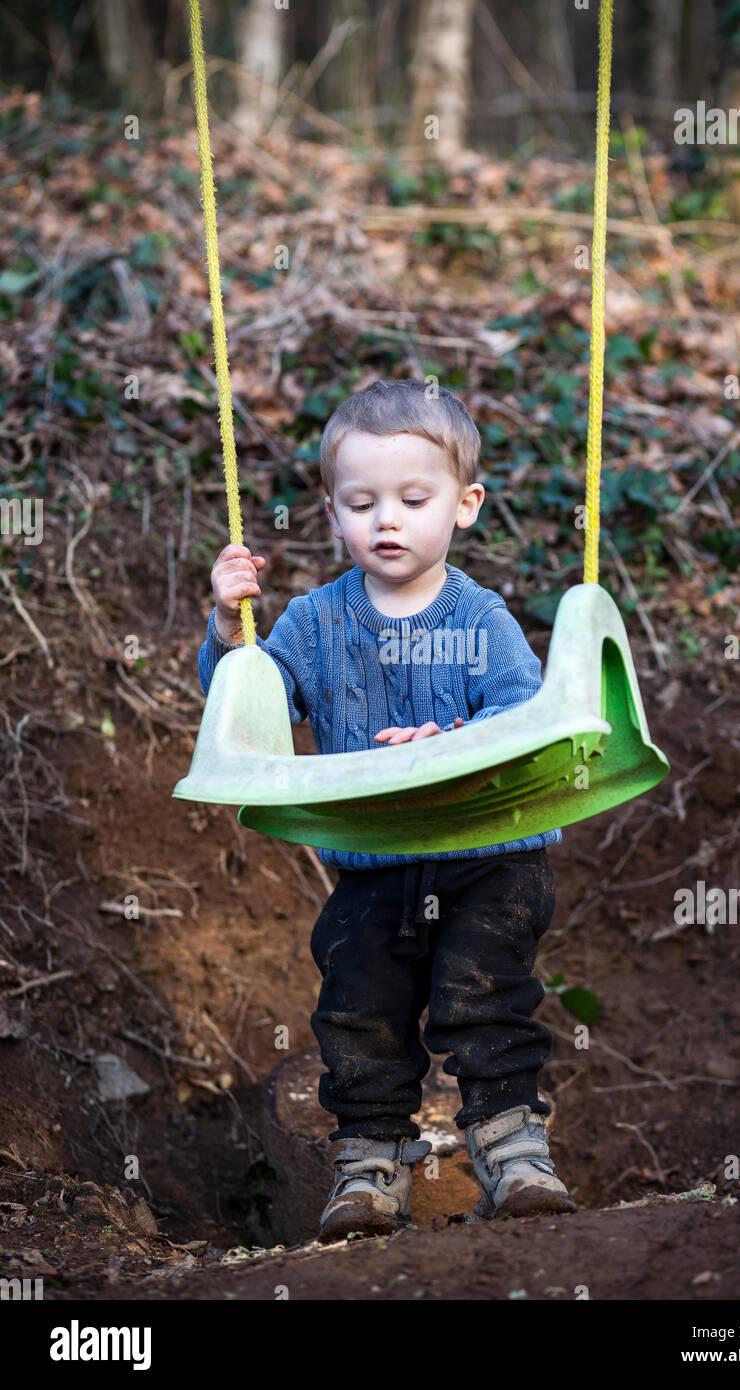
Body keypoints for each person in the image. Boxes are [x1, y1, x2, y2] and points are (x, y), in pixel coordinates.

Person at [198, 379, 576, 1242]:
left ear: (465, 505)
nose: (388, 521)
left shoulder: (484, 621)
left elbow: (523, 721)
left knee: (484, 999)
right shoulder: (310, 622)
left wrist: (448, 741)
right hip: (373, 861)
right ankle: (371, 1165)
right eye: (362, 502)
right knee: (357, 1010)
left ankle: (514, 1152)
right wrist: (230, 626)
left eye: (414, 498)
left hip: (488, 855)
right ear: (332, 514)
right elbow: (246, 703)